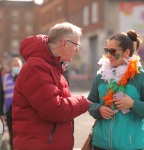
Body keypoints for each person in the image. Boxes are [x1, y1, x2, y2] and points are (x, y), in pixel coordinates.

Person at [12, 22, 91, 150]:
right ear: (64, 43)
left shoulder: (51, 66)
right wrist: (83, 102)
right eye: (76, 45)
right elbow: (55, 109)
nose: (77, 49)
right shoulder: (36, 67)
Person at [88, 30, 144, 150]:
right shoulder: (100, 77)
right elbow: (90, 103)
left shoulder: (143, 78)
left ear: (126, 52)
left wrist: (133, 104)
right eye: (107, 50)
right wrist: (98, 109)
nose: (108, 55)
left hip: (130, 146)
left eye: (113, 51)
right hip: (100, 145)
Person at [0, 57, 22, 150]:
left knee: (22, 134)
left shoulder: (24, 76)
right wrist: (1, 113)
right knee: (11, 134)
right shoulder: (5, 78)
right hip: (9, 111)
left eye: (17, 65)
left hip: (22, 111)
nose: (16, 66)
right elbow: (1, 96)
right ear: (11, 66)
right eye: (14, 65)